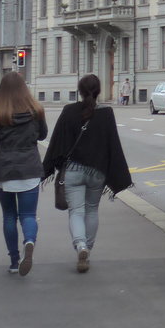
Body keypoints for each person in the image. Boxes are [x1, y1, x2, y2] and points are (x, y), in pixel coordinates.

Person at [42, 74, 133, 274]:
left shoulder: (68, 111)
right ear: (99, 91)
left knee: (76, 211)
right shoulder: (107, 113)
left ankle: (80, 246)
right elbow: (113, 145)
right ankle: (87, 251)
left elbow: (58, 141)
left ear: (79, 91)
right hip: (97, 172)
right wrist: (116, 172)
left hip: (73, 171)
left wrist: (50, 166)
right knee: (92, 210)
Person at [0, 72, 47, 276]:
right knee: (28, 215)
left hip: (3, 169)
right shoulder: (36, 111)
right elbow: (43, 135)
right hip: (29, 168)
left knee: (9, 215)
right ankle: (29, 240)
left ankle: (14, 261)